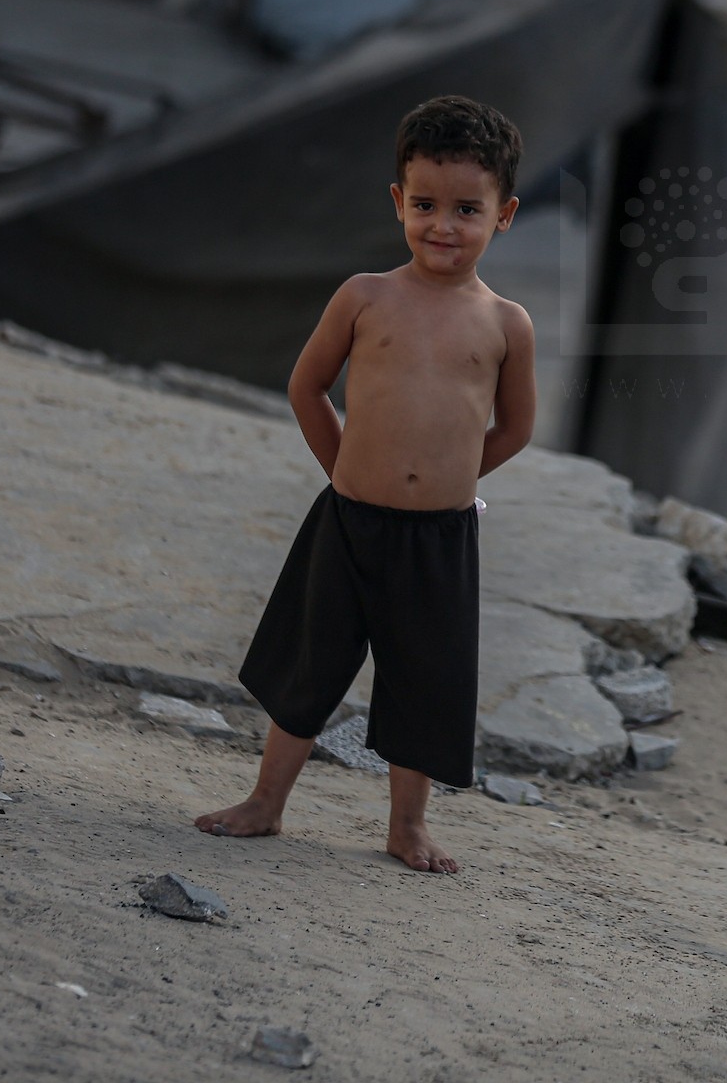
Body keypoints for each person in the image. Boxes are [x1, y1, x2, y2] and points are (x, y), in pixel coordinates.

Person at [195, 95, 536, 872]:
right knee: (309, 664)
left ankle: (407, 827)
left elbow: (515, 428)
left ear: (504, 215)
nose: (443, 225)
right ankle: (266, 803)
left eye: (467, 210)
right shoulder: (365, 296)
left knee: (424, 678)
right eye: (425, 204)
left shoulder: (506, 323)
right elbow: (306, 387)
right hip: (348, 519)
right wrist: (346, 470)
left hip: (439, 537)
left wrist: (451, 481)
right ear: (397, 202)